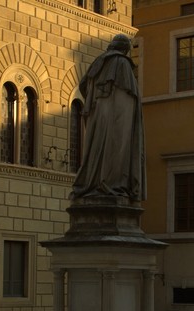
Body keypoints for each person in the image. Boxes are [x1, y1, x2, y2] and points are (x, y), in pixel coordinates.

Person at [71, 34, 145, 201]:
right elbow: (129, 100)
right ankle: (112, 183)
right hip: (117, 122)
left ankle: (95, 182)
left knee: (96, 150)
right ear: (125, 49)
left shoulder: (98, 63)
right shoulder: (123, 64)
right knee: (116, 150)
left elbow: (83, 87)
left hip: (96, 120)